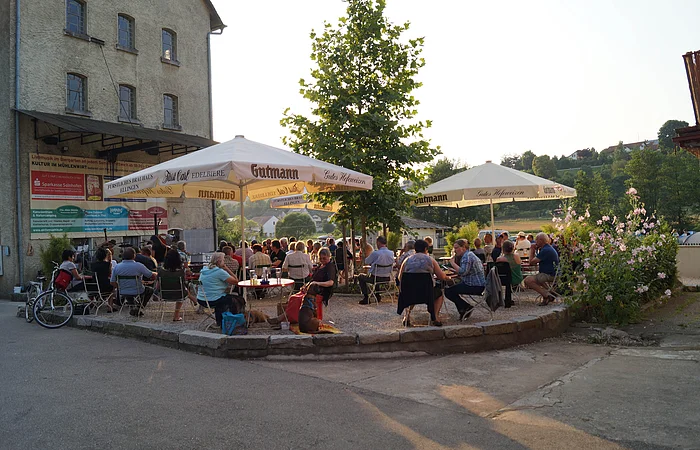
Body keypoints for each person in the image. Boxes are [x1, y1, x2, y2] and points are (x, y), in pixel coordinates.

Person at [398, 239, 449, 327]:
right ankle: (435, 317)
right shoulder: (430, 260)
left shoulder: (407, 260)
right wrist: (448, 277)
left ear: (415, 249)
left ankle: (407, 316)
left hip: (409, 294)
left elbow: (400, 277)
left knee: (412, 289)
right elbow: (441, 276)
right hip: (427, 294)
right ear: (426, 248)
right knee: (439, 294)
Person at [444, 239, 485, 321]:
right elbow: (465, 272)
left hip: (475, 286)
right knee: (451, 288)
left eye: (456, 248)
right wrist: (454, 270)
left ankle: (466, 307)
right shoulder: (469, 255)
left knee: (448, 291)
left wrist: (452, 263)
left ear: (463, 247)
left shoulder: (467, 256)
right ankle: (463, 309)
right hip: (476, 283)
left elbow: (463, 271)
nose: (455, 250)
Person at [196, 252, 240, 327]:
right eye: (223, 260)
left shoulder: (204, 270)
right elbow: (236, 281)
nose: (224, 262)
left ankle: (220, 321)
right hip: (213, 299)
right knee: (238, 300)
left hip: (201, 299)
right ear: (219, 262)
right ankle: (233, 321)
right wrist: (227, 269)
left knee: (226, 299)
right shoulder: (219, 272)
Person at [110, 247, 157, 316]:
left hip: (123, 291)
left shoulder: (117, 267)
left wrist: (120, 287)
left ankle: (133, 307)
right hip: (137, 290)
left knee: (130, 292)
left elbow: (112, 282)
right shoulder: (139, 266)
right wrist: (155, 273)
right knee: (150, 290)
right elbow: (150, 275)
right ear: (134, 255)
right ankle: (138, 307)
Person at [159, 249, 196, 321]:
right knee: (182, 290)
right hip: (178, 294)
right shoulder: (181, 272)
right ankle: (176, 315)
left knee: (181, 289)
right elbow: (184, 282)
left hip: (164, 294)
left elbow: (158, 285)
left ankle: (194, 300)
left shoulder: (161, 271)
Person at [358, 236, 395, 305]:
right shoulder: (391, 253)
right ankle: (377, 296)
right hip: (387, 278)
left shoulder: (376, 253)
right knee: (376, 274)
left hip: (376, 278)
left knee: (361, 277)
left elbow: (366, 261)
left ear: (378, 243)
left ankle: (366, 298)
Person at [524, 232, 560, 306]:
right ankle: (551, 292)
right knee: (538, 277)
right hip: (552, 273)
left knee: (528, 280)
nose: (535, 242)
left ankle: (546, 295)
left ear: (540, 240)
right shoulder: (548, 248)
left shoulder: (545, 250)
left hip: (549, 274)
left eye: (536, 240)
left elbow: (531, 262)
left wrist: (532, 249)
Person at [90, 247, 115, 312]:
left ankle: (94, 303)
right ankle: (110, 307)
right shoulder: (108, 264)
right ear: (105, 256)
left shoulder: (92, 265)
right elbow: (109, 273)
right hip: (104, 286)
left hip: (94, 287)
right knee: (112, 288)